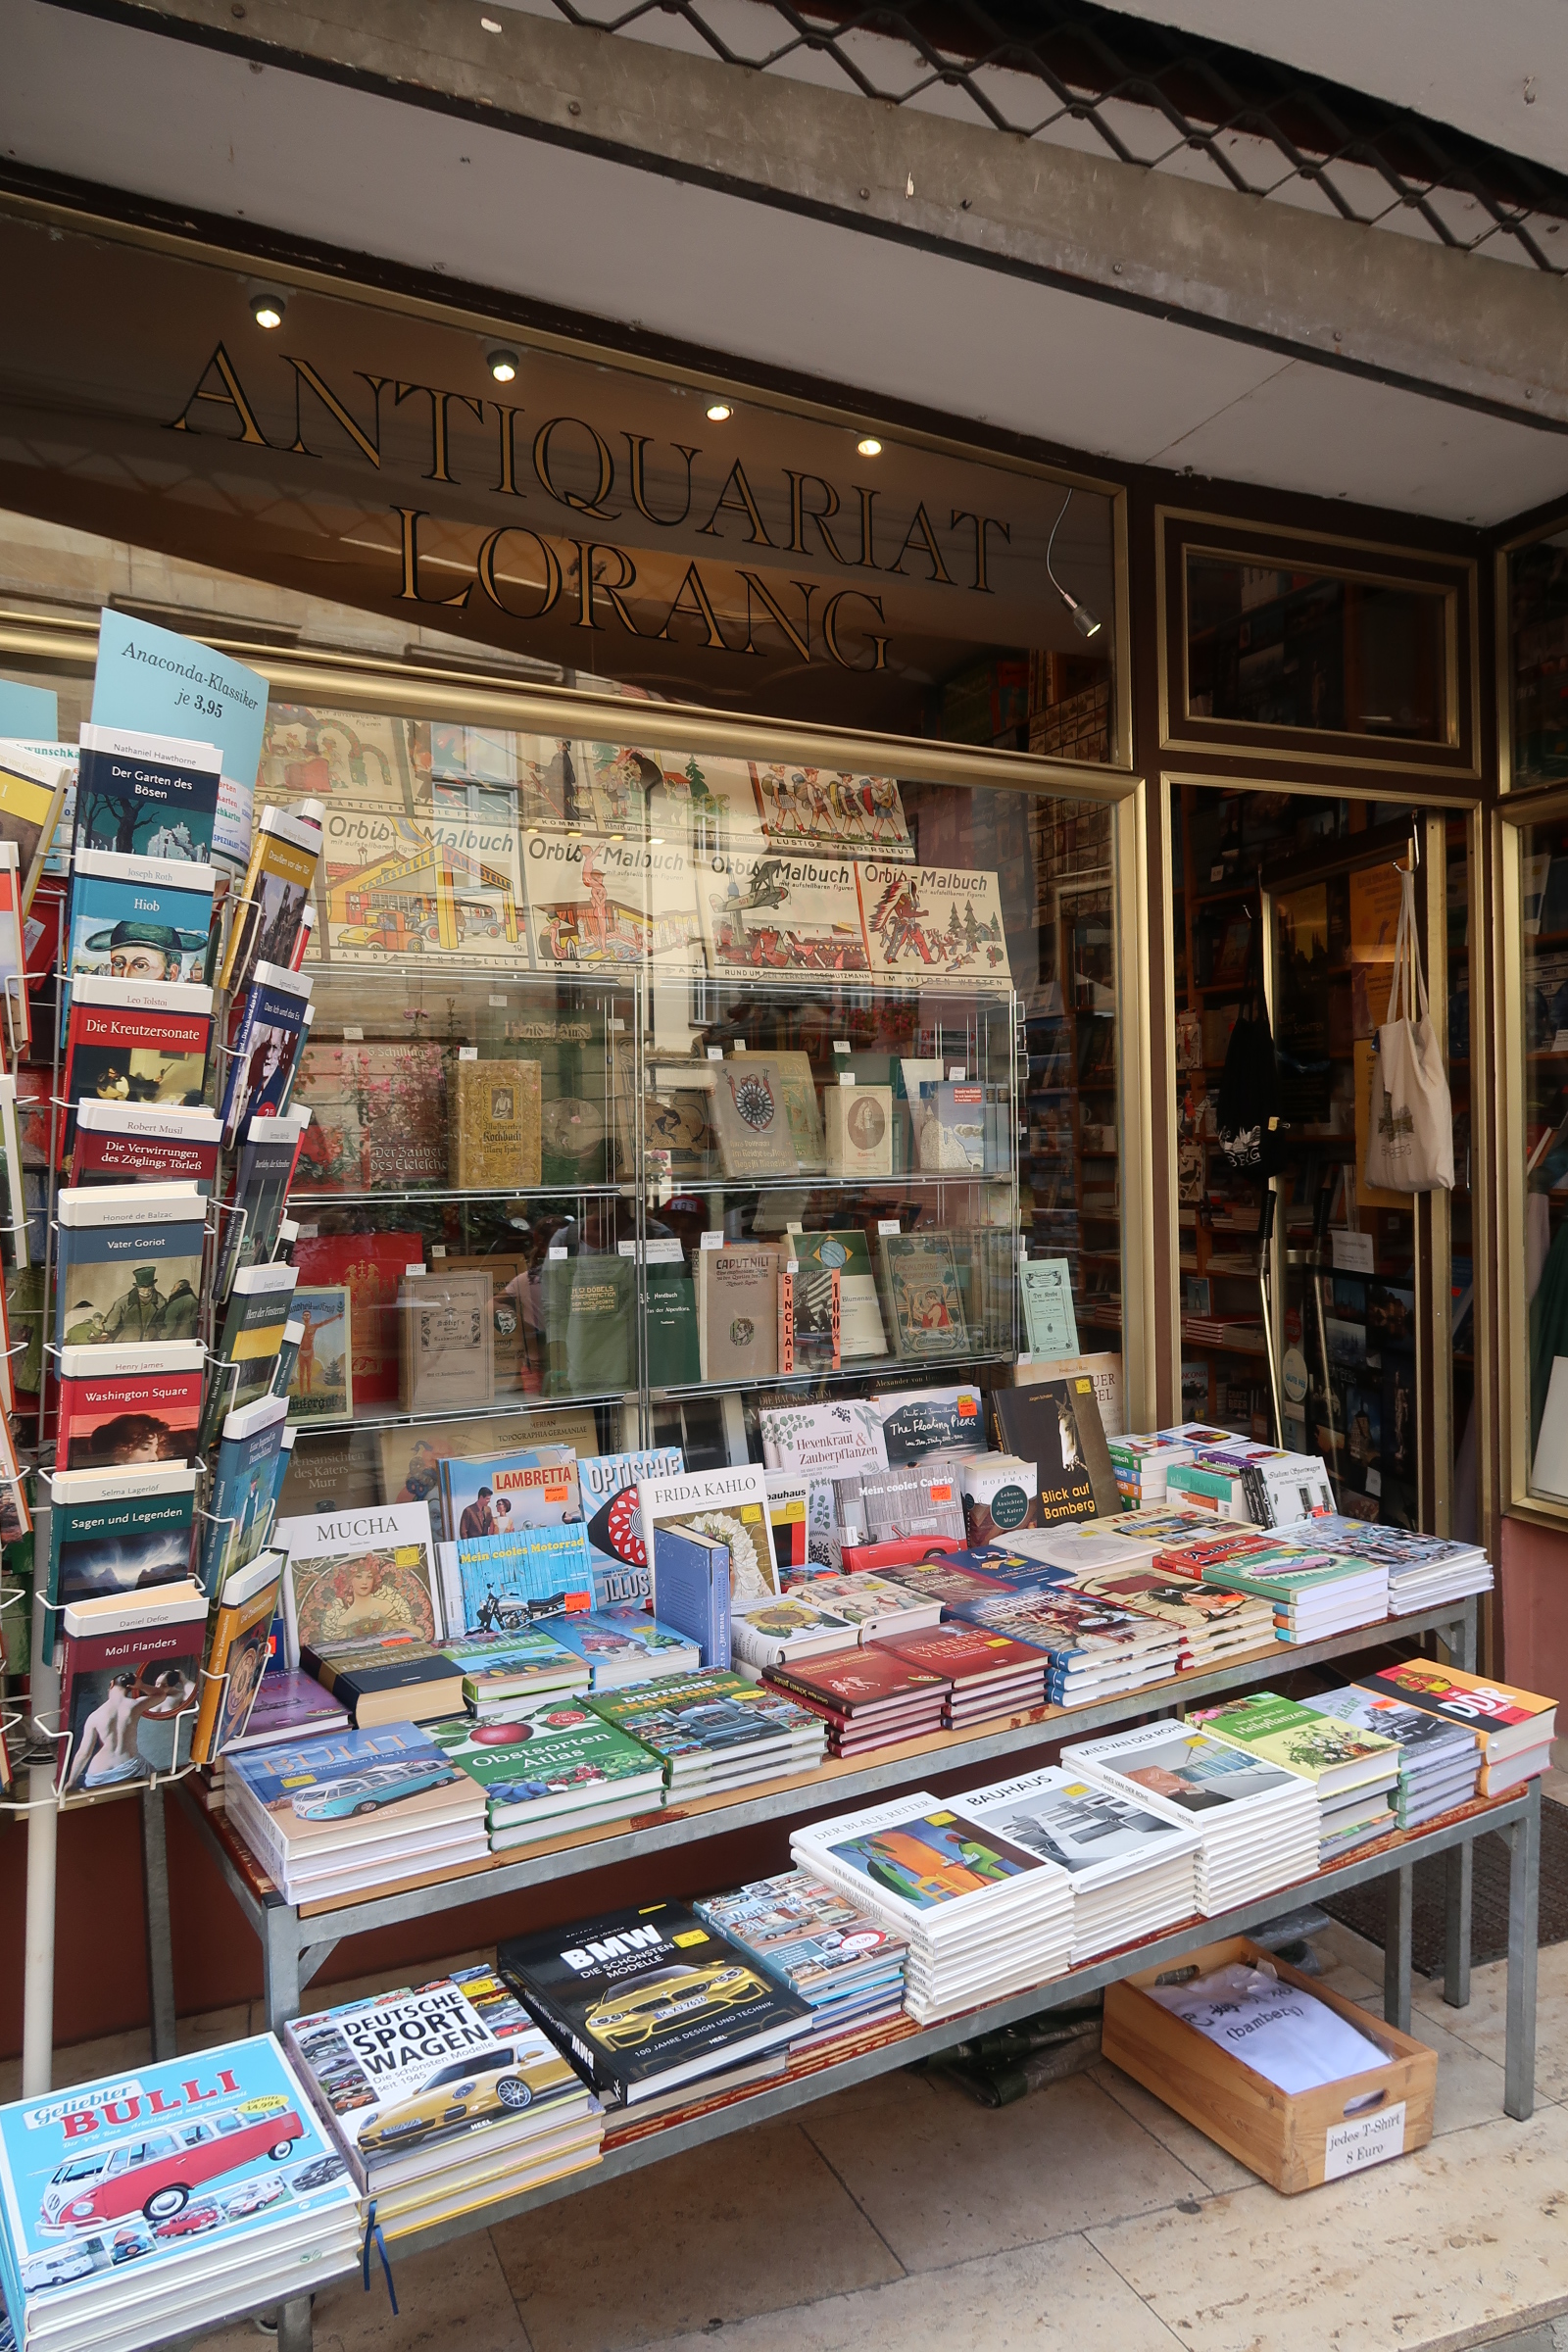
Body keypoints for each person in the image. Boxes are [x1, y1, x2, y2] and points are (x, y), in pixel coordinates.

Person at [98, 1265, 168, 1343]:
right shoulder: (123, 1302)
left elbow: (165, 1326)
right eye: (143, 1287)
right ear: (137, 1287)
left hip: (150, 1344)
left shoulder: (161, 1302)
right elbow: (110, 1326)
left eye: (149, 1287)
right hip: (127, 1343)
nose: (146, 1290)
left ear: (153, 1286)